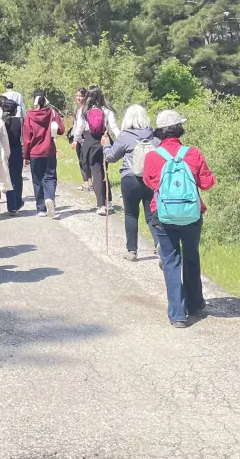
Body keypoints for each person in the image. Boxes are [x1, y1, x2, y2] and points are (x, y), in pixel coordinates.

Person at [143, 110, 215, 326]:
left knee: (170, 259)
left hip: (163, 214)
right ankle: (195, 304)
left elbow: (149, 181)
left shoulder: (152, 156)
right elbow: (207, 183)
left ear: (160, 131)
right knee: (191, 256)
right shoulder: (193, 153)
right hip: (191, 214)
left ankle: (177, 314)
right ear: (179, 129)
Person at [104, 104, 158, 261]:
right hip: (150, 179)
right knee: (151, 215)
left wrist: (106, 145)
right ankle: (159, 245)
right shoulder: (154, 135)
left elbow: (111, 157)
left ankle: (132, 251)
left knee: (131, 214)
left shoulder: (125, 135)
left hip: (130, 178)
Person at [74, 86, 119, 215]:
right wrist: (122, 140)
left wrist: (77, 139)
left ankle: (101, 205)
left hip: (90, 142)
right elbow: (114, 127)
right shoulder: (107, 110)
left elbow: (79, 128)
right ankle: (108, 201)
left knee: (96, 172)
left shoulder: (84, 110)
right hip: (104, 141)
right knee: (104, 170)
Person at [23, 92, 64, 218]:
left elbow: (27, 138)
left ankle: (41, 209)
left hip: (34, 152)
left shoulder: (30, 115)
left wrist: (25, 156)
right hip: (49, 151)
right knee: (50, 177)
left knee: (37, 180)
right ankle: (49, 198)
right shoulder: (52, 113)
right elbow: (61, 130)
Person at [0, 96, 25, 213]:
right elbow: (23, 138)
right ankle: (16, 203)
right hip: (16, 150)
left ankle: (10, 204)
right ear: (15, 110)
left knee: (7, 177)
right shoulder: (20, 121)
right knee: (16, 177)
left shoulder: (1, 122)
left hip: (3, 151)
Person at [70, 87, 91, 188]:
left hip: (81, 137)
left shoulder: (83, 109)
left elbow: (80, 126)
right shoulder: (80, 108)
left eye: (81, 96)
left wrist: (75, 139)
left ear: (85, 97)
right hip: (83, 137)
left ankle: (87, 183)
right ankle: (89, 182)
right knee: (85, 160)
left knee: (83, 160)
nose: (78, 98)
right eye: (77, 95)